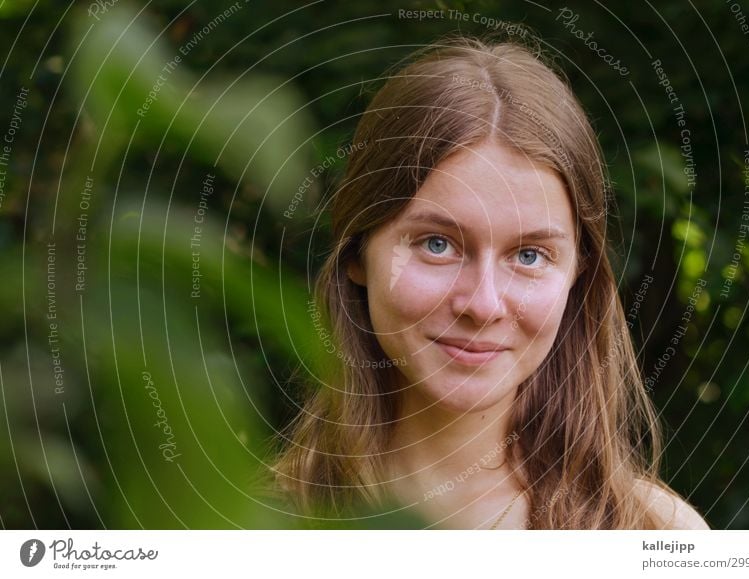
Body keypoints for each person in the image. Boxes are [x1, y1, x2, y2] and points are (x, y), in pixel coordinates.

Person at [271, 35, 709, 530]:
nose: (482, 305)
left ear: (576, 275)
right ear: (358, 253)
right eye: (437, 244)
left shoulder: (656, 535)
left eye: (529, 255)